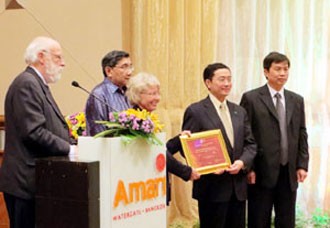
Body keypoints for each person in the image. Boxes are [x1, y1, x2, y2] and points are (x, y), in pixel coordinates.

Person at [0, 36, 76, 228]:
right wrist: (69, 149)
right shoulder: (27, 84)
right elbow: (33, 132)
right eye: (58, 57)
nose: (63, 63)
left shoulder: (37, 83)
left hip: (38, 181)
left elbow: (48, 126)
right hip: (26, 182)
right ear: (42, 57)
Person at [168, 63, 256, 228]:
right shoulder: (196, 111)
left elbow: (250, 144)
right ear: (208, 83)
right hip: (212, 188)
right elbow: (187, 146)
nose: (227, 83)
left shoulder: (239, 111)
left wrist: (242, 162)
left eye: (229, 79)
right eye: (222, 79)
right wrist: (206, 166)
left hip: (237, 187)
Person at [240, 52, 309, 228]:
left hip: (289, 171)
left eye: (286, 69)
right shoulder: (251, 98)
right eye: (277, 69)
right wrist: (249, 168)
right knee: (259, 220)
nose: (282, 73)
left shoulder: (296, 100)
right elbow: (245, 136)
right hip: (261, 172)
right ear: (266, 71)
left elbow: (302, 133)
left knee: (286, 221)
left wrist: (302, 164)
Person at [125, 72, 200, 204]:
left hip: (153, 187)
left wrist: (179, 140)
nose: (158, 98)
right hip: (143, 191)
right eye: (152, 94)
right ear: (137, 95)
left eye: (158, 93)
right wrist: (186, 172)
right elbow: (156, 153)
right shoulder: (135, 120)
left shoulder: (147, 117)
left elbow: (159, 149)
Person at [85, 50, 133, 136]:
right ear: (109, 71)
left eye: (130, 67)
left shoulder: (128, 92)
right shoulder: (99, 95)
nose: (130, 72)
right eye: (124, 67)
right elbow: (98, 132)